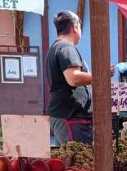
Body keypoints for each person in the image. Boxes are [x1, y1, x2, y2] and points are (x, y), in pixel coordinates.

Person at [46, 10, 112, 145]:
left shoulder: (56, 47)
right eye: (80, 27)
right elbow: (73, 78)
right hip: (71, 116)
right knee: (78, 161)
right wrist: (102, 75)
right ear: (75, 28)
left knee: (67, 161)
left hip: (64, 114)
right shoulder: (66, 48)